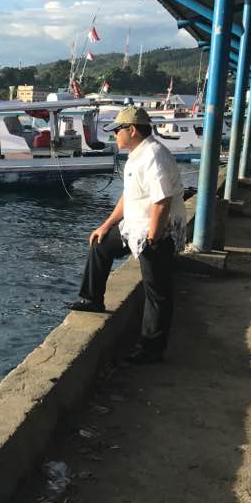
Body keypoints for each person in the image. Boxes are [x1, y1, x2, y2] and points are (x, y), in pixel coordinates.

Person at [70, 105, 187, 364]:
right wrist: (106, 224)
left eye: (117, 131)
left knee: (157, 292)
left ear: (131, 130)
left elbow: (162, 201)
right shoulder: (137, 154)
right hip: (134, 227)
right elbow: (129, 196)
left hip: (155, 231)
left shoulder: (155, 155)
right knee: (101, 245)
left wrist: (153, 238)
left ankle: (151, 349)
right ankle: (92, 299)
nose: (115, 136)